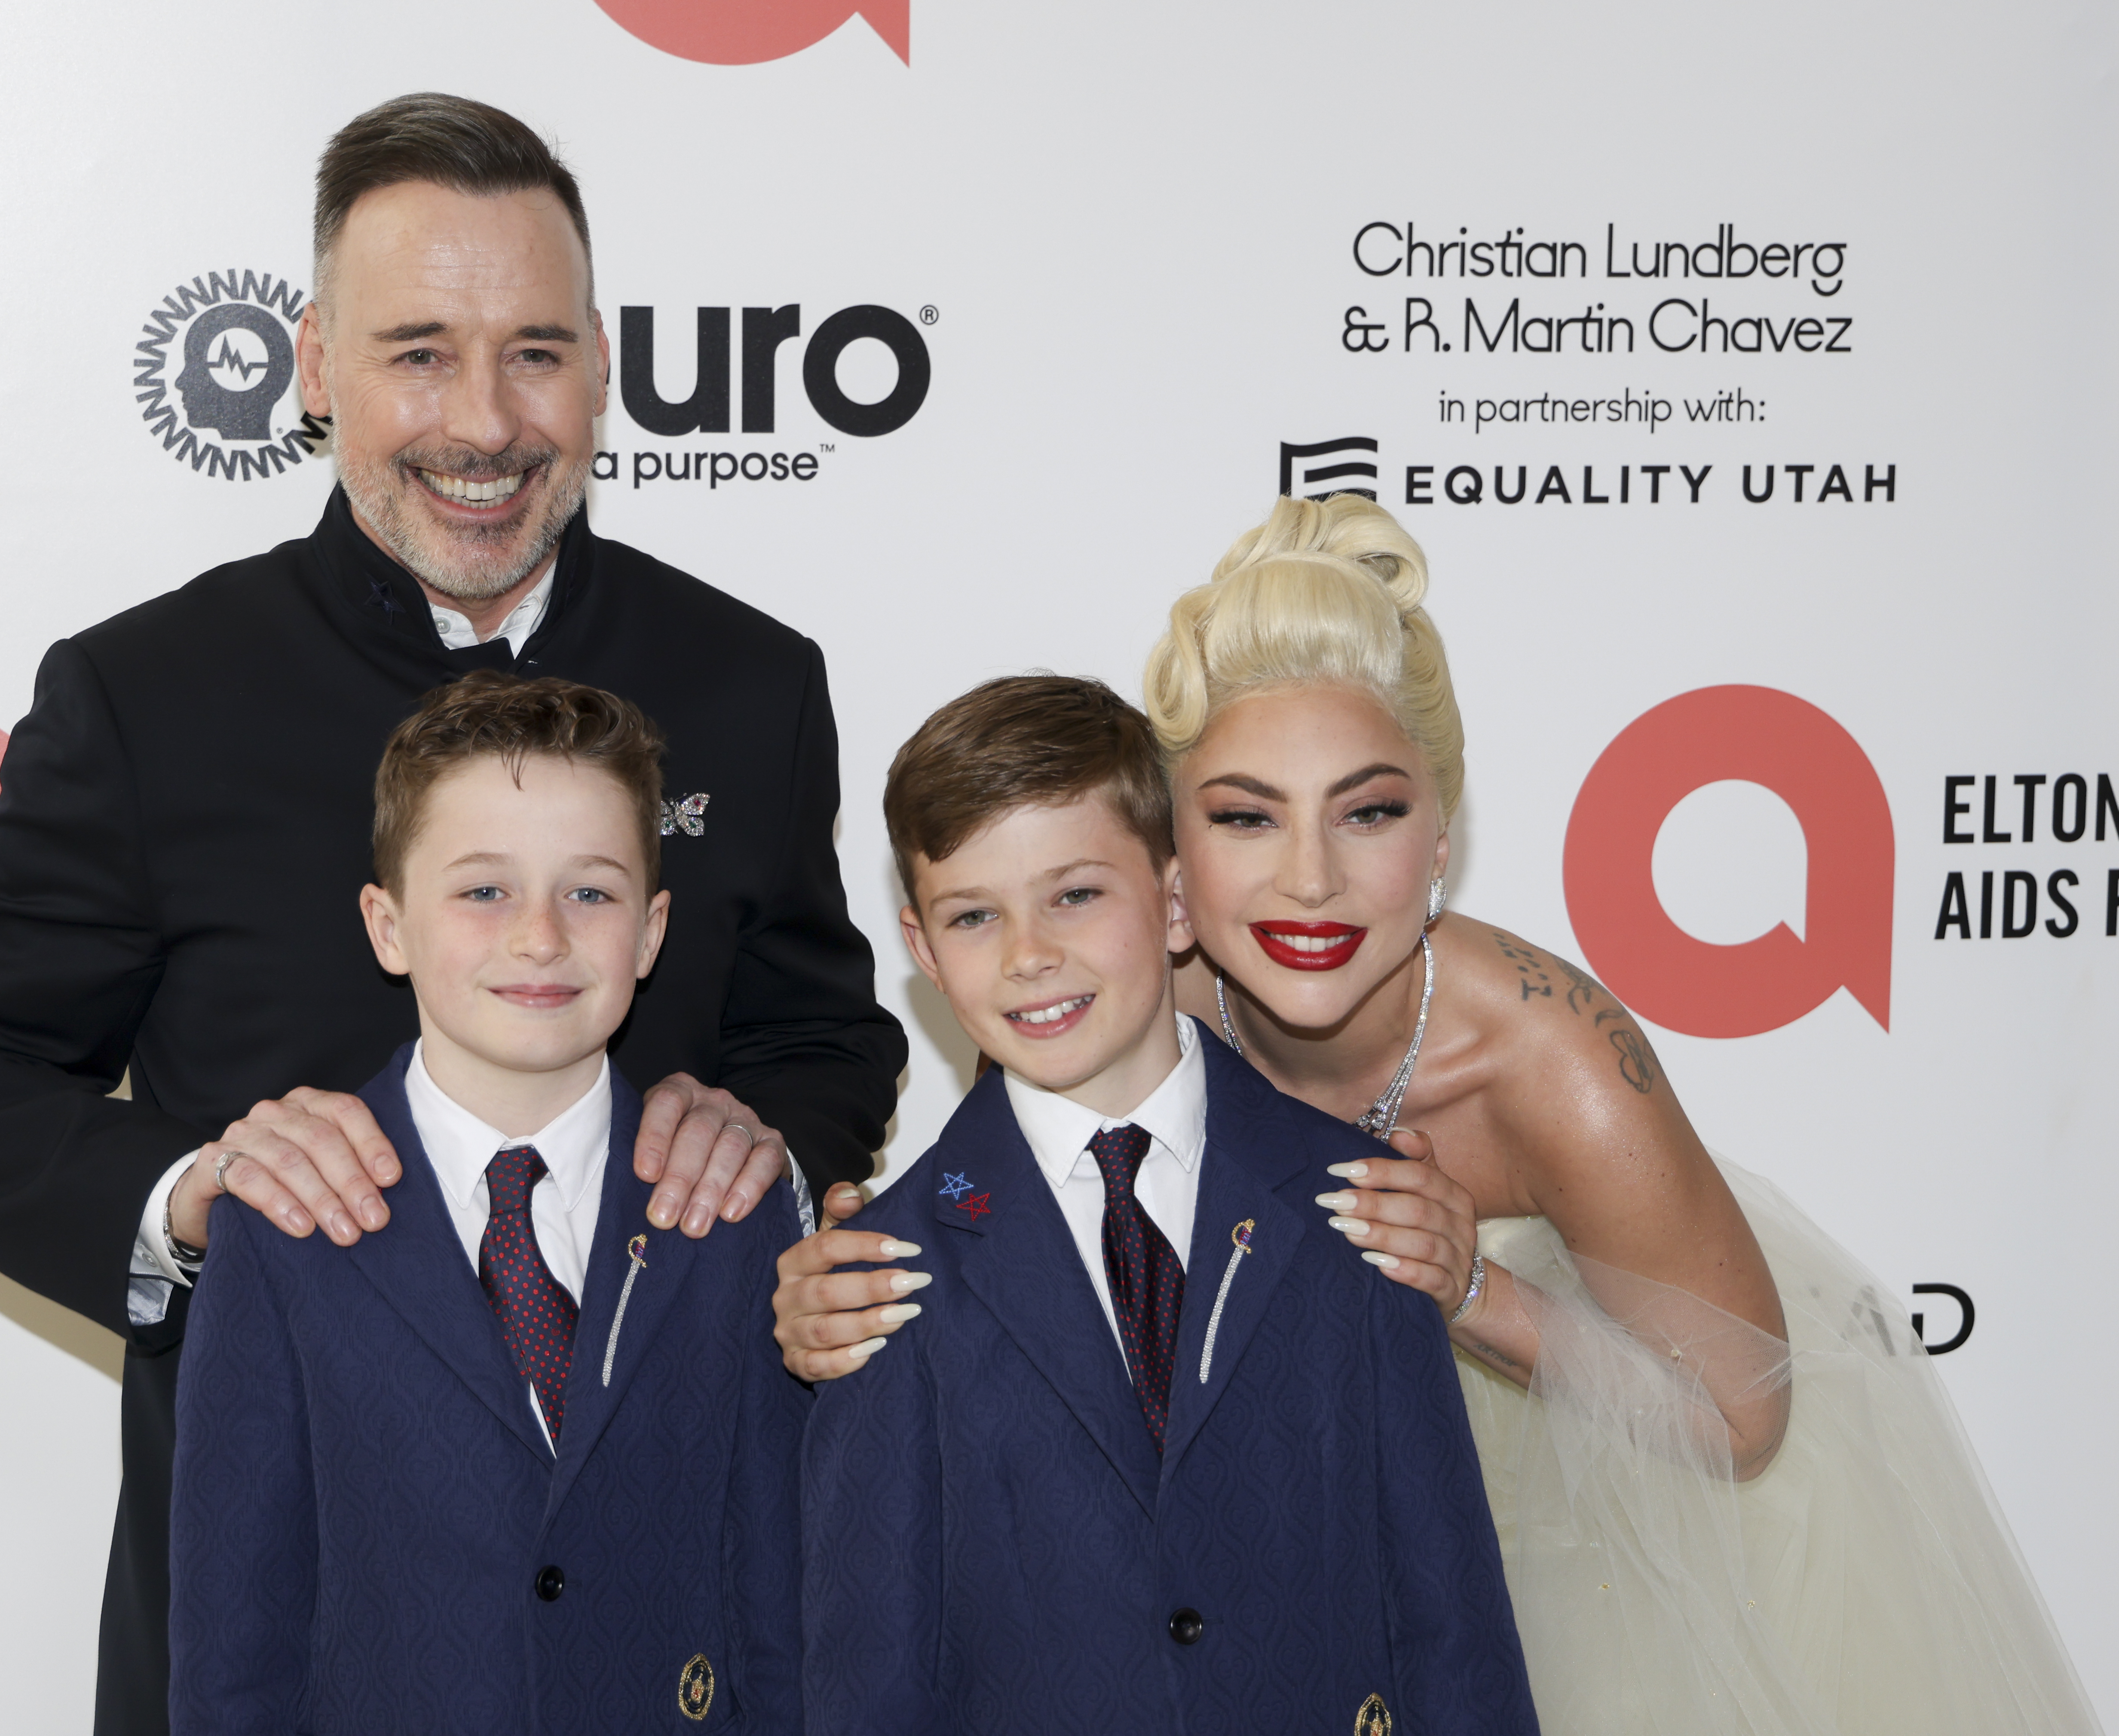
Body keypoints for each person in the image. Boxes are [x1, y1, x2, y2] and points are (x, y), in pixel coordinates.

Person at [0, 93, 902, 1736]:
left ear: (602, 368)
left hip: (672, 1613)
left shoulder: (754, 684)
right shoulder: (150, 694)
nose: (484, 419)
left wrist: (751, 1125)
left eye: (535, 352)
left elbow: (823, 1029)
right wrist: (194, 1194)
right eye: (418, 353)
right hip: (290, 1629)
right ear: (316, 365)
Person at [782, 499, 2103, 1736]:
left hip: (1574, 1458)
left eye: (1369, 812)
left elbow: (1740, 1419)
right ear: (1174, 863)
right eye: (1248, 818)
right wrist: (813, 1281)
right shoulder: (1113, 956)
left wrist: (1470, 1287)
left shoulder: (1554, 1060)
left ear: (1442, 830)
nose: (1309, 881)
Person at [801, 674, 1538, 1736]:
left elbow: (1451, 1619)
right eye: (975, 916)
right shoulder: (883, 1274)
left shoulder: (1362, 1204)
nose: (1029, 955)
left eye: (1076, 894)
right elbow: (869, 1677)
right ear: (922, 949)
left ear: (1178, 898)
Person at [172, 674, 805, 1733]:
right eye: (484, 891)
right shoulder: (281, 1222)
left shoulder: (731, 1211)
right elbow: (234, 1636)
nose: (541, 936)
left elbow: (782, 1602)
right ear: (387, 924)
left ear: (651, 934)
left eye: (591, 893)